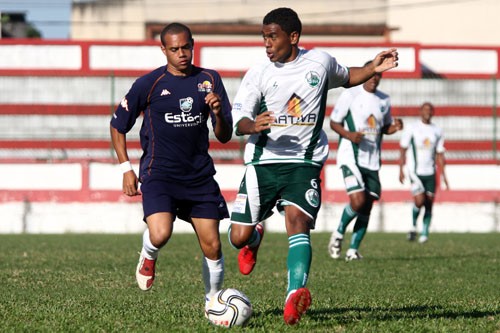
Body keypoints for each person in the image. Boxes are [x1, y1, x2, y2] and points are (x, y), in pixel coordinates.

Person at [227, 7, 399, 325]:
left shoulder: (319, 63)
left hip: (305, 162)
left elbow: (349, 77)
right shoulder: (259, 73)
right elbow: (239, 119)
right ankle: (253, 239)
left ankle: (295, 295)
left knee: (298, 221)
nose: (266, 43)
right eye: (264, 37)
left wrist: (373, 66)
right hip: (262, 162)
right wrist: (253, 126)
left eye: (272, 36)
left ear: (293, 37)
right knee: (237, 236)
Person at [109, 23, 232, 313]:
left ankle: (213, 302)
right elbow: (117, 126)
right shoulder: (149, 83)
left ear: (193, 45)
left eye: (186, 47)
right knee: (161, 233)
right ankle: (149, 253)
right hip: (159, 174)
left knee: (212, 245)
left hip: (199, 176)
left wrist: (217, 113)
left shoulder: (209, 79)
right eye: (174, 49)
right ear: (163, 50)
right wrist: (126, 168)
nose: (182, 54)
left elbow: (225, 135)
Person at [327, 63, 403, 261]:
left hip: (372, 160)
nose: (374, 79)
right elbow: (334, 122)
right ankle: (338, 234)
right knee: (358, 200)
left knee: (367, 205)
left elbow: (384, 127)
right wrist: (349, 135)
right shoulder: (350, 95)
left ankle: (353, 250)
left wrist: (394, 128)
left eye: (378, 76)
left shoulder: (384, 100)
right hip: (350, 155)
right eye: (372, 75)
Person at [399, 102, 449, 243]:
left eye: (430, 110)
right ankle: (413, 226)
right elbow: (403, 148)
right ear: (420, 111)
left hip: (430, 172)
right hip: (415, 172)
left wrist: (444, 175)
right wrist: (401, 169)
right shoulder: (412, 128)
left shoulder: (437, 131)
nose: (427, 112)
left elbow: (440, 154)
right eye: (425, 109)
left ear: (433, 112)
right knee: (419, 200)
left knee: (429, 203)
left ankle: (425, 233)